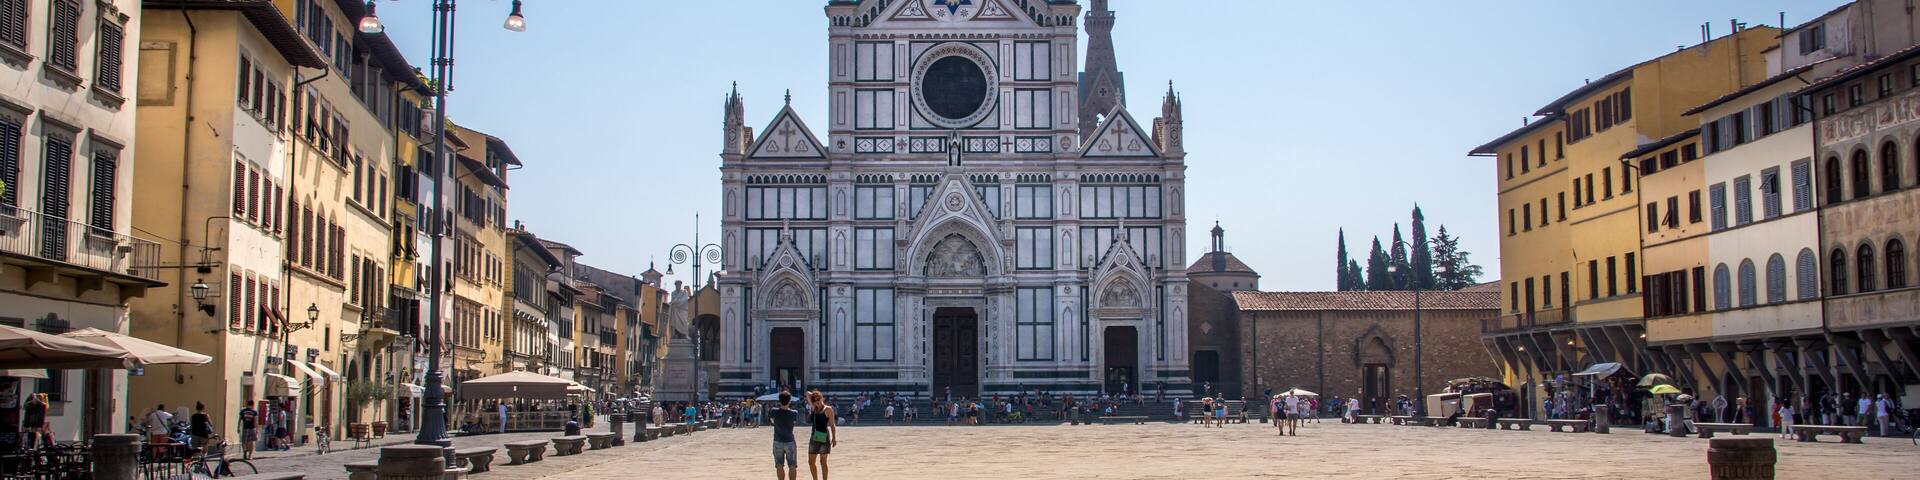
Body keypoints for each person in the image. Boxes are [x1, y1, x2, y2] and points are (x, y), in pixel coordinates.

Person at [806, 390, 837, 480]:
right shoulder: (814, 407)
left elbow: (832, 424)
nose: (817, 403)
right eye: (815, 402)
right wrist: (815, 396)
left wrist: (834, 438)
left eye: (819, 401)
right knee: (811, 461)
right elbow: (807, 393)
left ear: (822, 399)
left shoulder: (828, 409)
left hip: (824, 437)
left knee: (823, 462)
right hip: (814, 437)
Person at [769, 391, 799, 480]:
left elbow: (772, 422)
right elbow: (794, 422)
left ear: (779, 400)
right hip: (790, 440)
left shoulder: (774, 411)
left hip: (777, 440)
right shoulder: (794, 413)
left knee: (779, 465)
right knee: (792, 465)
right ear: (789, 401)